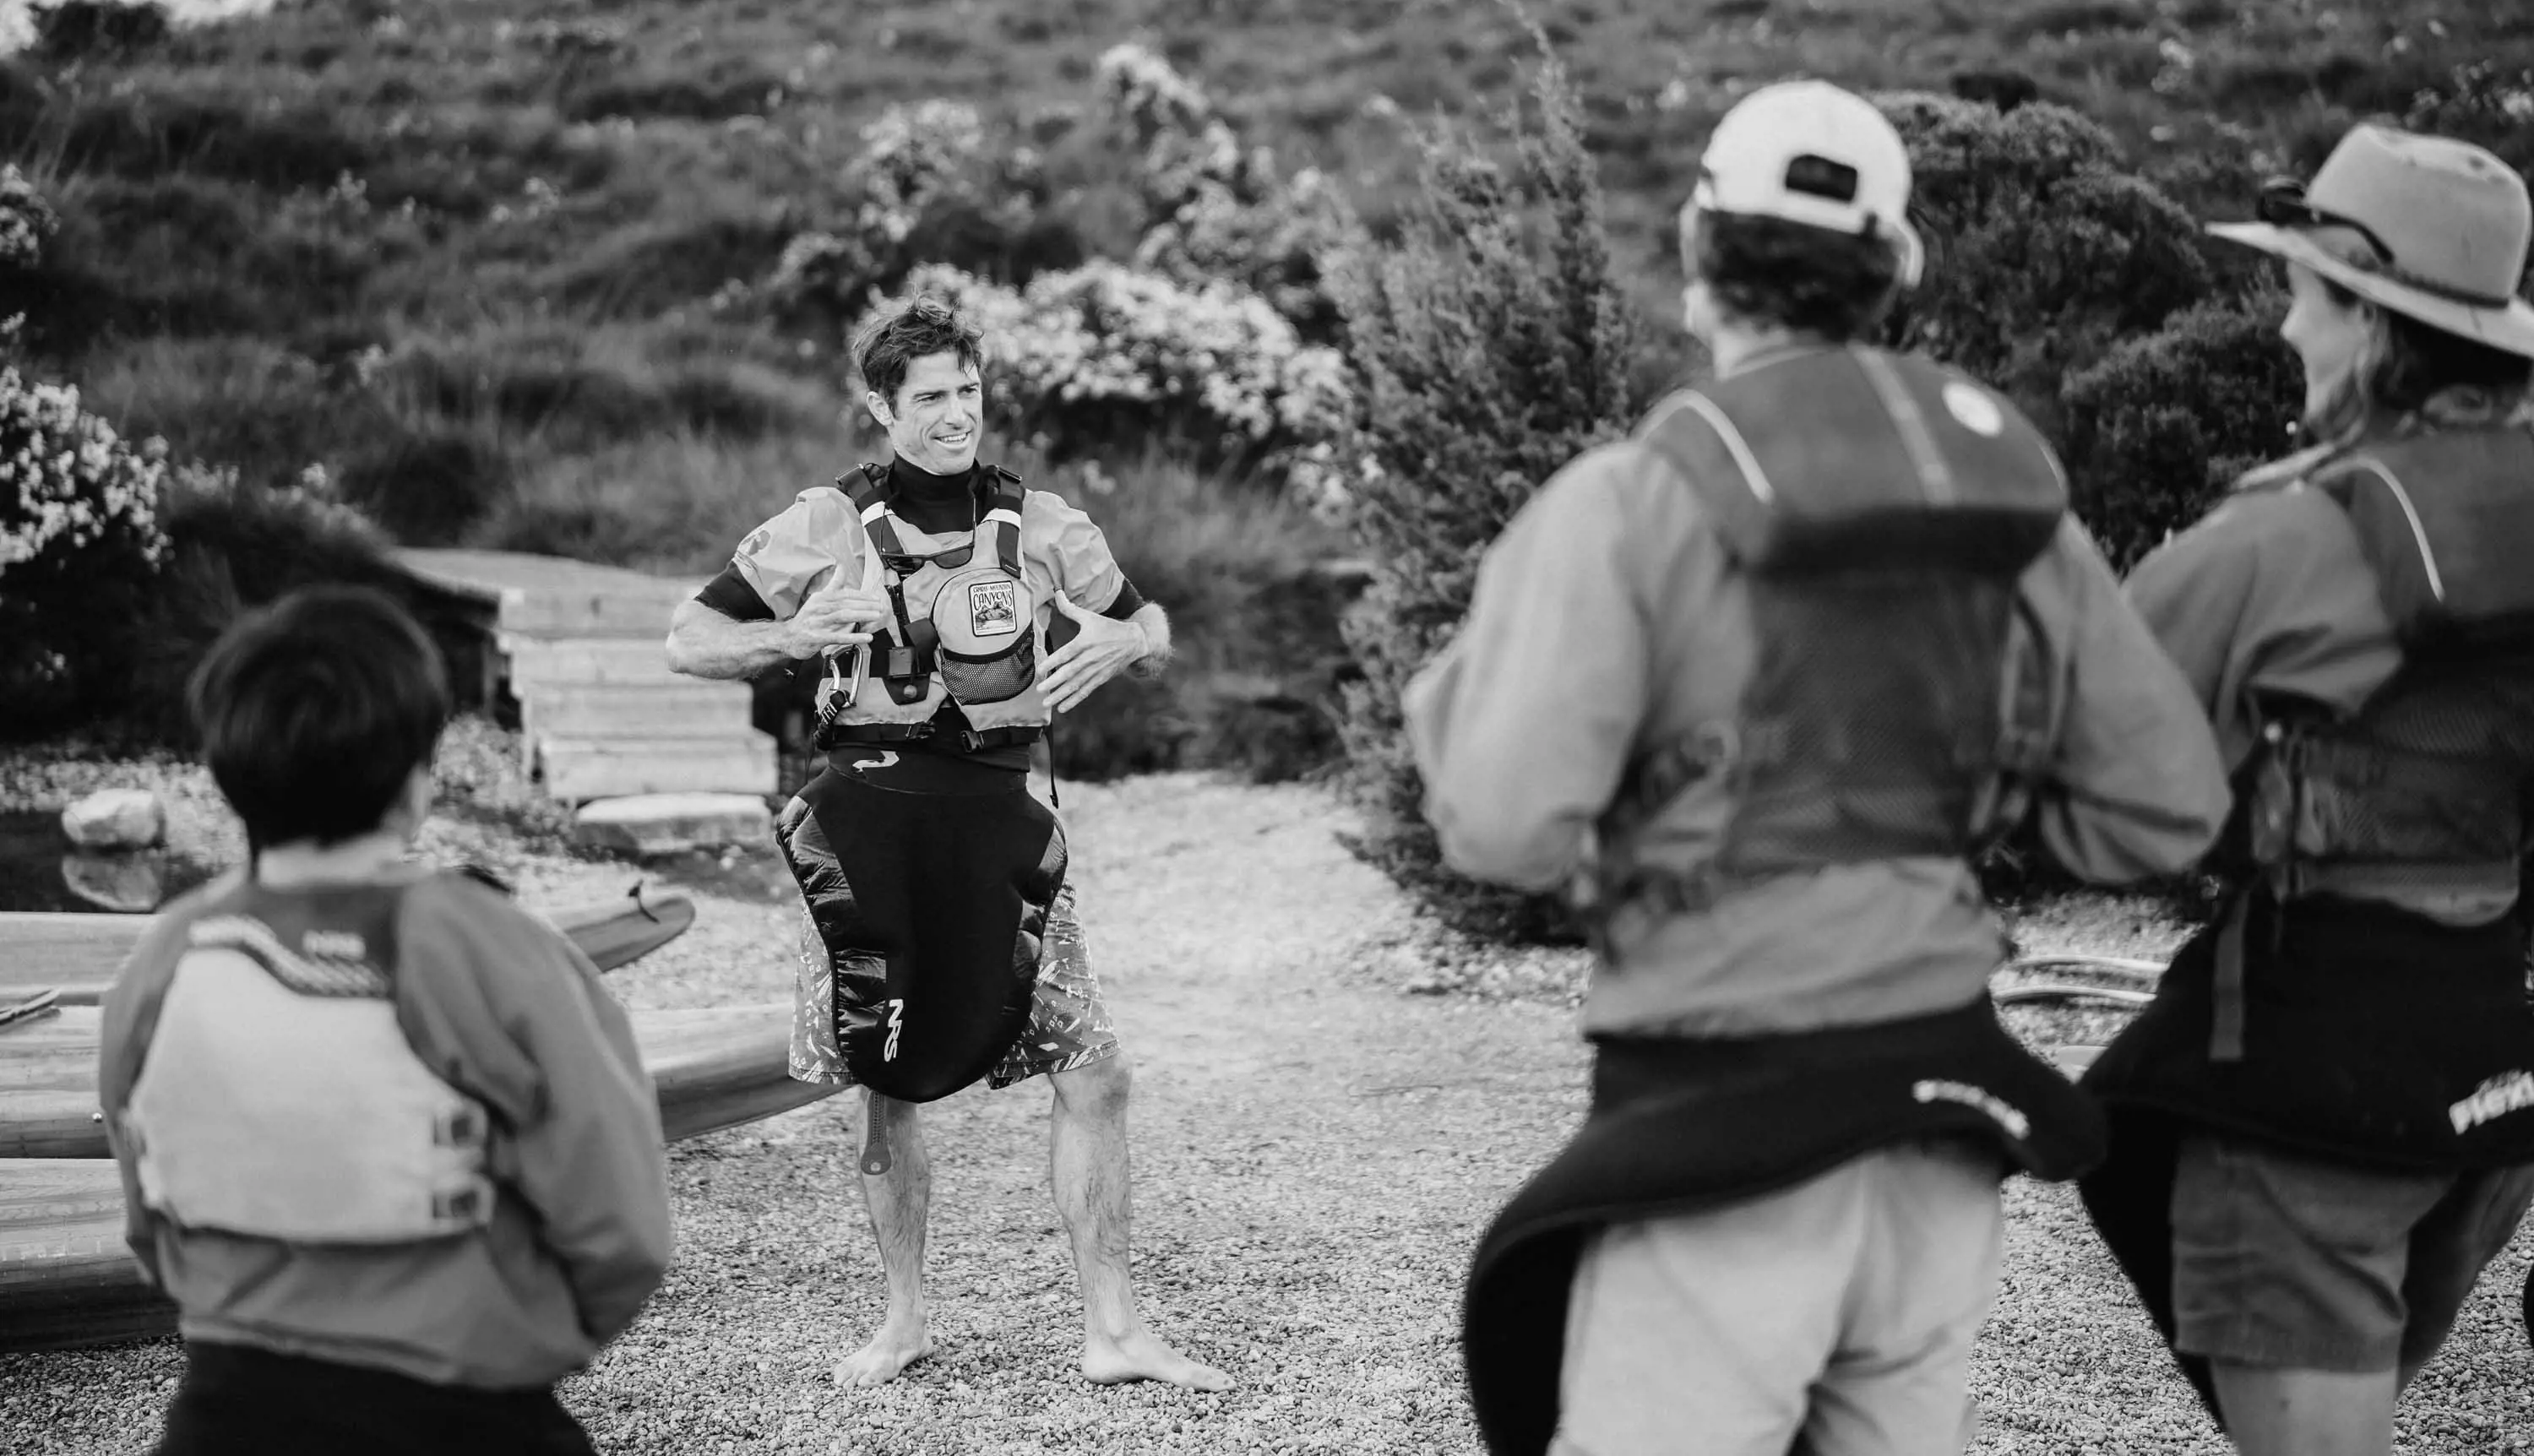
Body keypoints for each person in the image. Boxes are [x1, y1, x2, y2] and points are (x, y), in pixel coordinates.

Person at [1406, 79, 2233, 1456]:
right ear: (1894, 271)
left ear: (1693, 252)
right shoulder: (2011, 504)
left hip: (1728, 1116)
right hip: (1945, 1114)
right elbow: (2166, 806)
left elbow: (1499, 828)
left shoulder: (1628, 499)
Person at [664, 295, 1226, 1393]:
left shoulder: (1048, 523)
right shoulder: (824, 523)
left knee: (1097, 1071)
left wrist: (1119, 641)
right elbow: (691, 637)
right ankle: (902, 1321)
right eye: (930, 399)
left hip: (998, 819)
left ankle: (1113, 1330)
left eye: (968, 393)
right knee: (887, 1078)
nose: (956, 415)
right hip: (865, 826)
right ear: (881, 407)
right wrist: (794, 635)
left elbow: (1150, 624)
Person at [2077, 124, 2534, 1456]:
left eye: (2301, 294)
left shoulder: (2279, 539)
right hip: (2493, 1075)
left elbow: (2111, 808)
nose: (2284, 329)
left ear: (2370, 320)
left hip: (2305, 1088)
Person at [99, 586, 673, 1456]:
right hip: (467, 1406)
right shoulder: (490, 946)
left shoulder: (165, 954)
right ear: (415, 784)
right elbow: (620, 1222)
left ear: (227, 775)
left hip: (225, 1408)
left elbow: (147, 1210)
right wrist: (529, 1336)